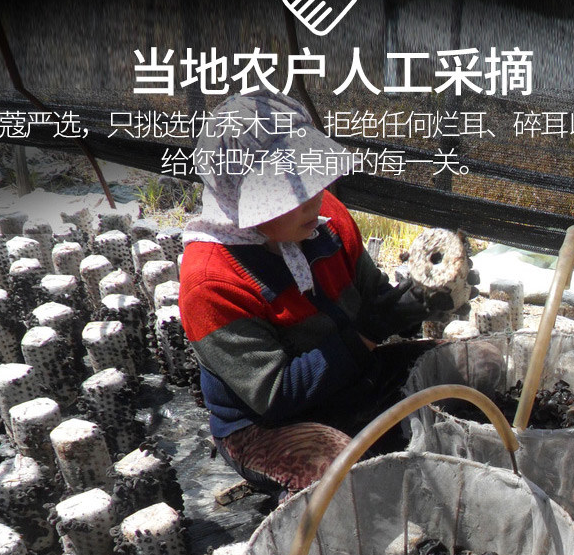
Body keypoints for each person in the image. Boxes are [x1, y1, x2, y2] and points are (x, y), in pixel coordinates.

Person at [178, 92, 465, 500]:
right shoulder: (211, 284)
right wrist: (368, 331)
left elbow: (373, 296)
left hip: (353, 378)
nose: (312, 198)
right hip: (269, 425)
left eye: (309, 178)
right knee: (338, 475)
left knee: (472, 366)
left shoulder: (325, 218)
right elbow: (276, 395)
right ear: (242, 201)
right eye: (289, 191)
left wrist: (418, 300)